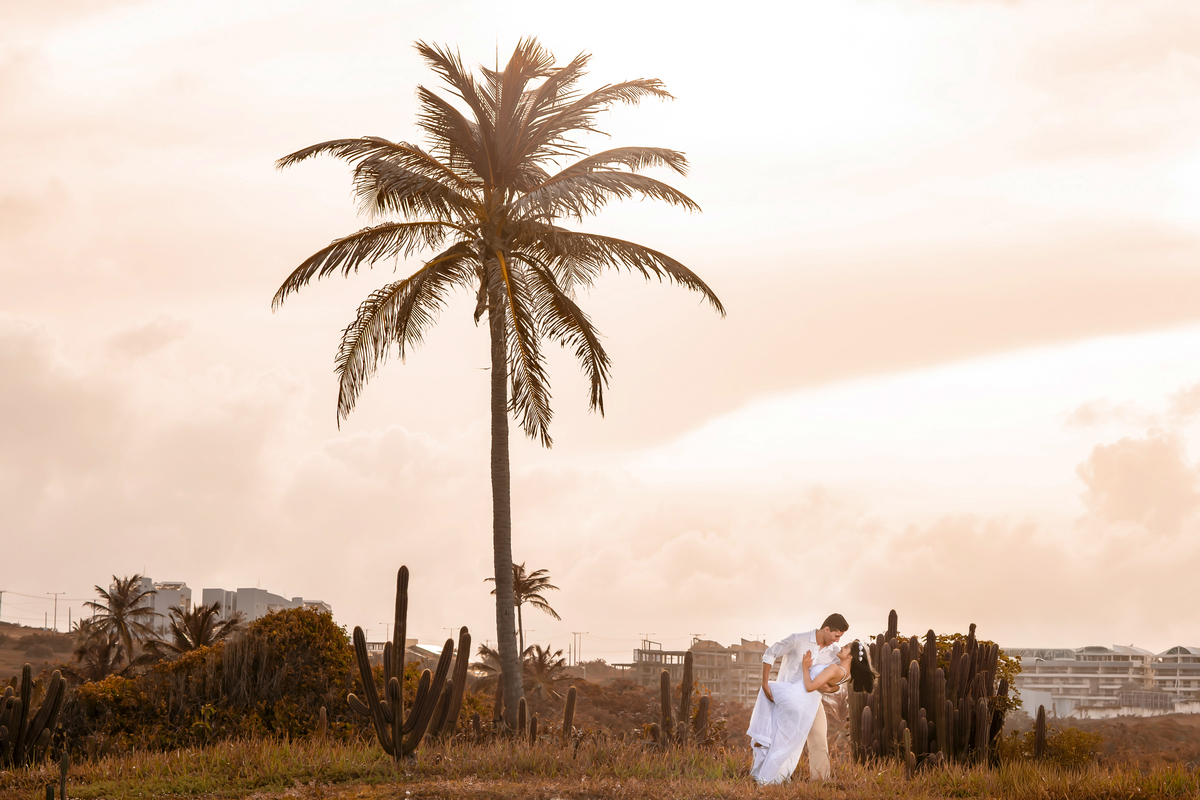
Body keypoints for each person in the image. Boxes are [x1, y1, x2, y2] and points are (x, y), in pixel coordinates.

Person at [747, 614, 848, 785]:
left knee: (819, 740)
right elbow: (770, 653)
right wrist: (765, 683)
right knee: (777, 739)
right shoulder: (798, 640)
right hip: (788, 699)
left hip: (812, 701)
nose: (837, 641)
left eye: (840, 638)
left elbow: (842, 676)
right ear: (827, 629)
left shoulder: (833, 652)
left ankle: (821, 781)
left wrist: (831, 688)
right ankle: (765, 778)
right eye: (836, 636)